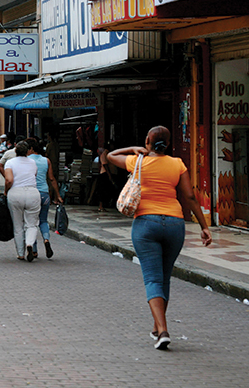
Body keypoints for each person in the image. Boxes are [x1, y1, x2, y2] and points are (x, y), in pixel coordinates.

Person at [107, 126, 212, 350]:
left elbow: (110, 156)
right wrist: (204, 227)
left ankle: (163, 330)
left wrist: (133, 149)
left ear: (147, 141)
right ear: (169, 143)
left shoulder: (138, 162)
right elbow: (190, 196)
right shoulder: (178, 164)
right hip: (175, 224)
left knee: (153, 279)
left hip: (145, 224)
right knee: (164, 278)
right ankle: (157, 326)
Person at [4, 141, 41, 262]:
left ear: (15, 151)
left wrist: (5, 191)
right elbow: (34, 175)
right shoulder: (33, 162)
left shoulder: (10, 162)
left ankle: (20, 253)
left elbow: (9, 180)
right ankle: (30, 244)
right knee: (32, 224)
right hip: (32, 193)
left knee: (18, 224)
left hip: (15, 193)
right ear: (28, 151)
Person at [27, 138, 63, 259]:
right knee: (43, 220)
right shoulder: (46, 160)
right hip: (44, 194)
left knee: (32, 223)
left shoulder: (28, 161)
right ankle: (46, 240)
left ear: (31, 149)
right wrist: (58, 195)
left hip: (32, 194)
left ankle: (35, 249)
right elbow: (52, 179)